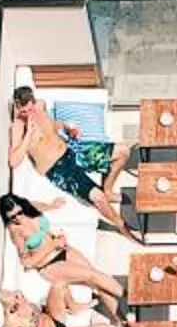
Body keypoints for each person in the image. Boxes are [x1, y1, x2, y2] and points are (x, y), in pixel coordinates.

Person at [10, 85, 137, 238]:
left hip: (72, 151)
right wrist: (28, 134)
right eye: (24, 112)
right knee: (98, 198)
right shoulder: (18, 127)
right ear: (18, 108)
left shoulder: (41, 105)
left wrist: (66, 127)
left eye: (30, 110)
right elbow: (13, 161)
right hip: (59, 169)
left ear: (33, 101)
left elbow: (52, 127)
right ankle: (122, 226)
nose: (29, 114)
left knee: (123, 151)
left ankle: (108, 190)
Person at [0, 194, 124, 313]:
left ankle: (121, 319)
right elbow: (26, 263)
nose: (17, 218)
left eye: (19, 212)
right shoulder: (15, 230)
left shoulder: (30, 207)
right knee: (92, 276)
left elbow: (42, 208)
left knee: (96, 279)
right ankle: (128, 296)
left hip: (63, 249)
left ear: (22, 205)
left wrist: (53, 206)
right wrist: (52, 245)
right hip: (49, 265)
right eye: (12, 217)